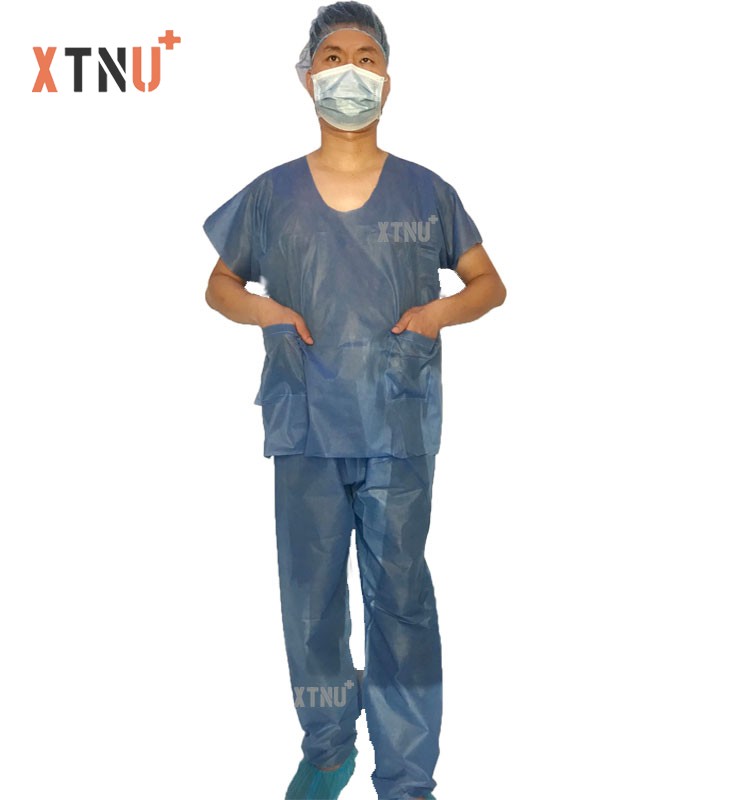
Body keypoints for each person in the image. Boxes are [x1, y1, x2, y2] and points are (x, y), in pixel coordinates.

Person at [202, 4, 506, 798]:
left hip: (395, 422)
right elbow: (219, 284)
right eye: (332, 56)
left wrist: (439, 313)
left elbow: (489, 284)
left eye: (365, 58)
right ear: (308, 78)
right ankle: (330, 746)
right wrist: (266, 311)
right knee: (311, 599)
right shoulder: (272, 195)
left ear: (387, 81)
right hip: (305, 417)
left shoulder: (426, 192)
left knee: (401, 599)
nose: (349, 71)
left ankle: (407, 777)